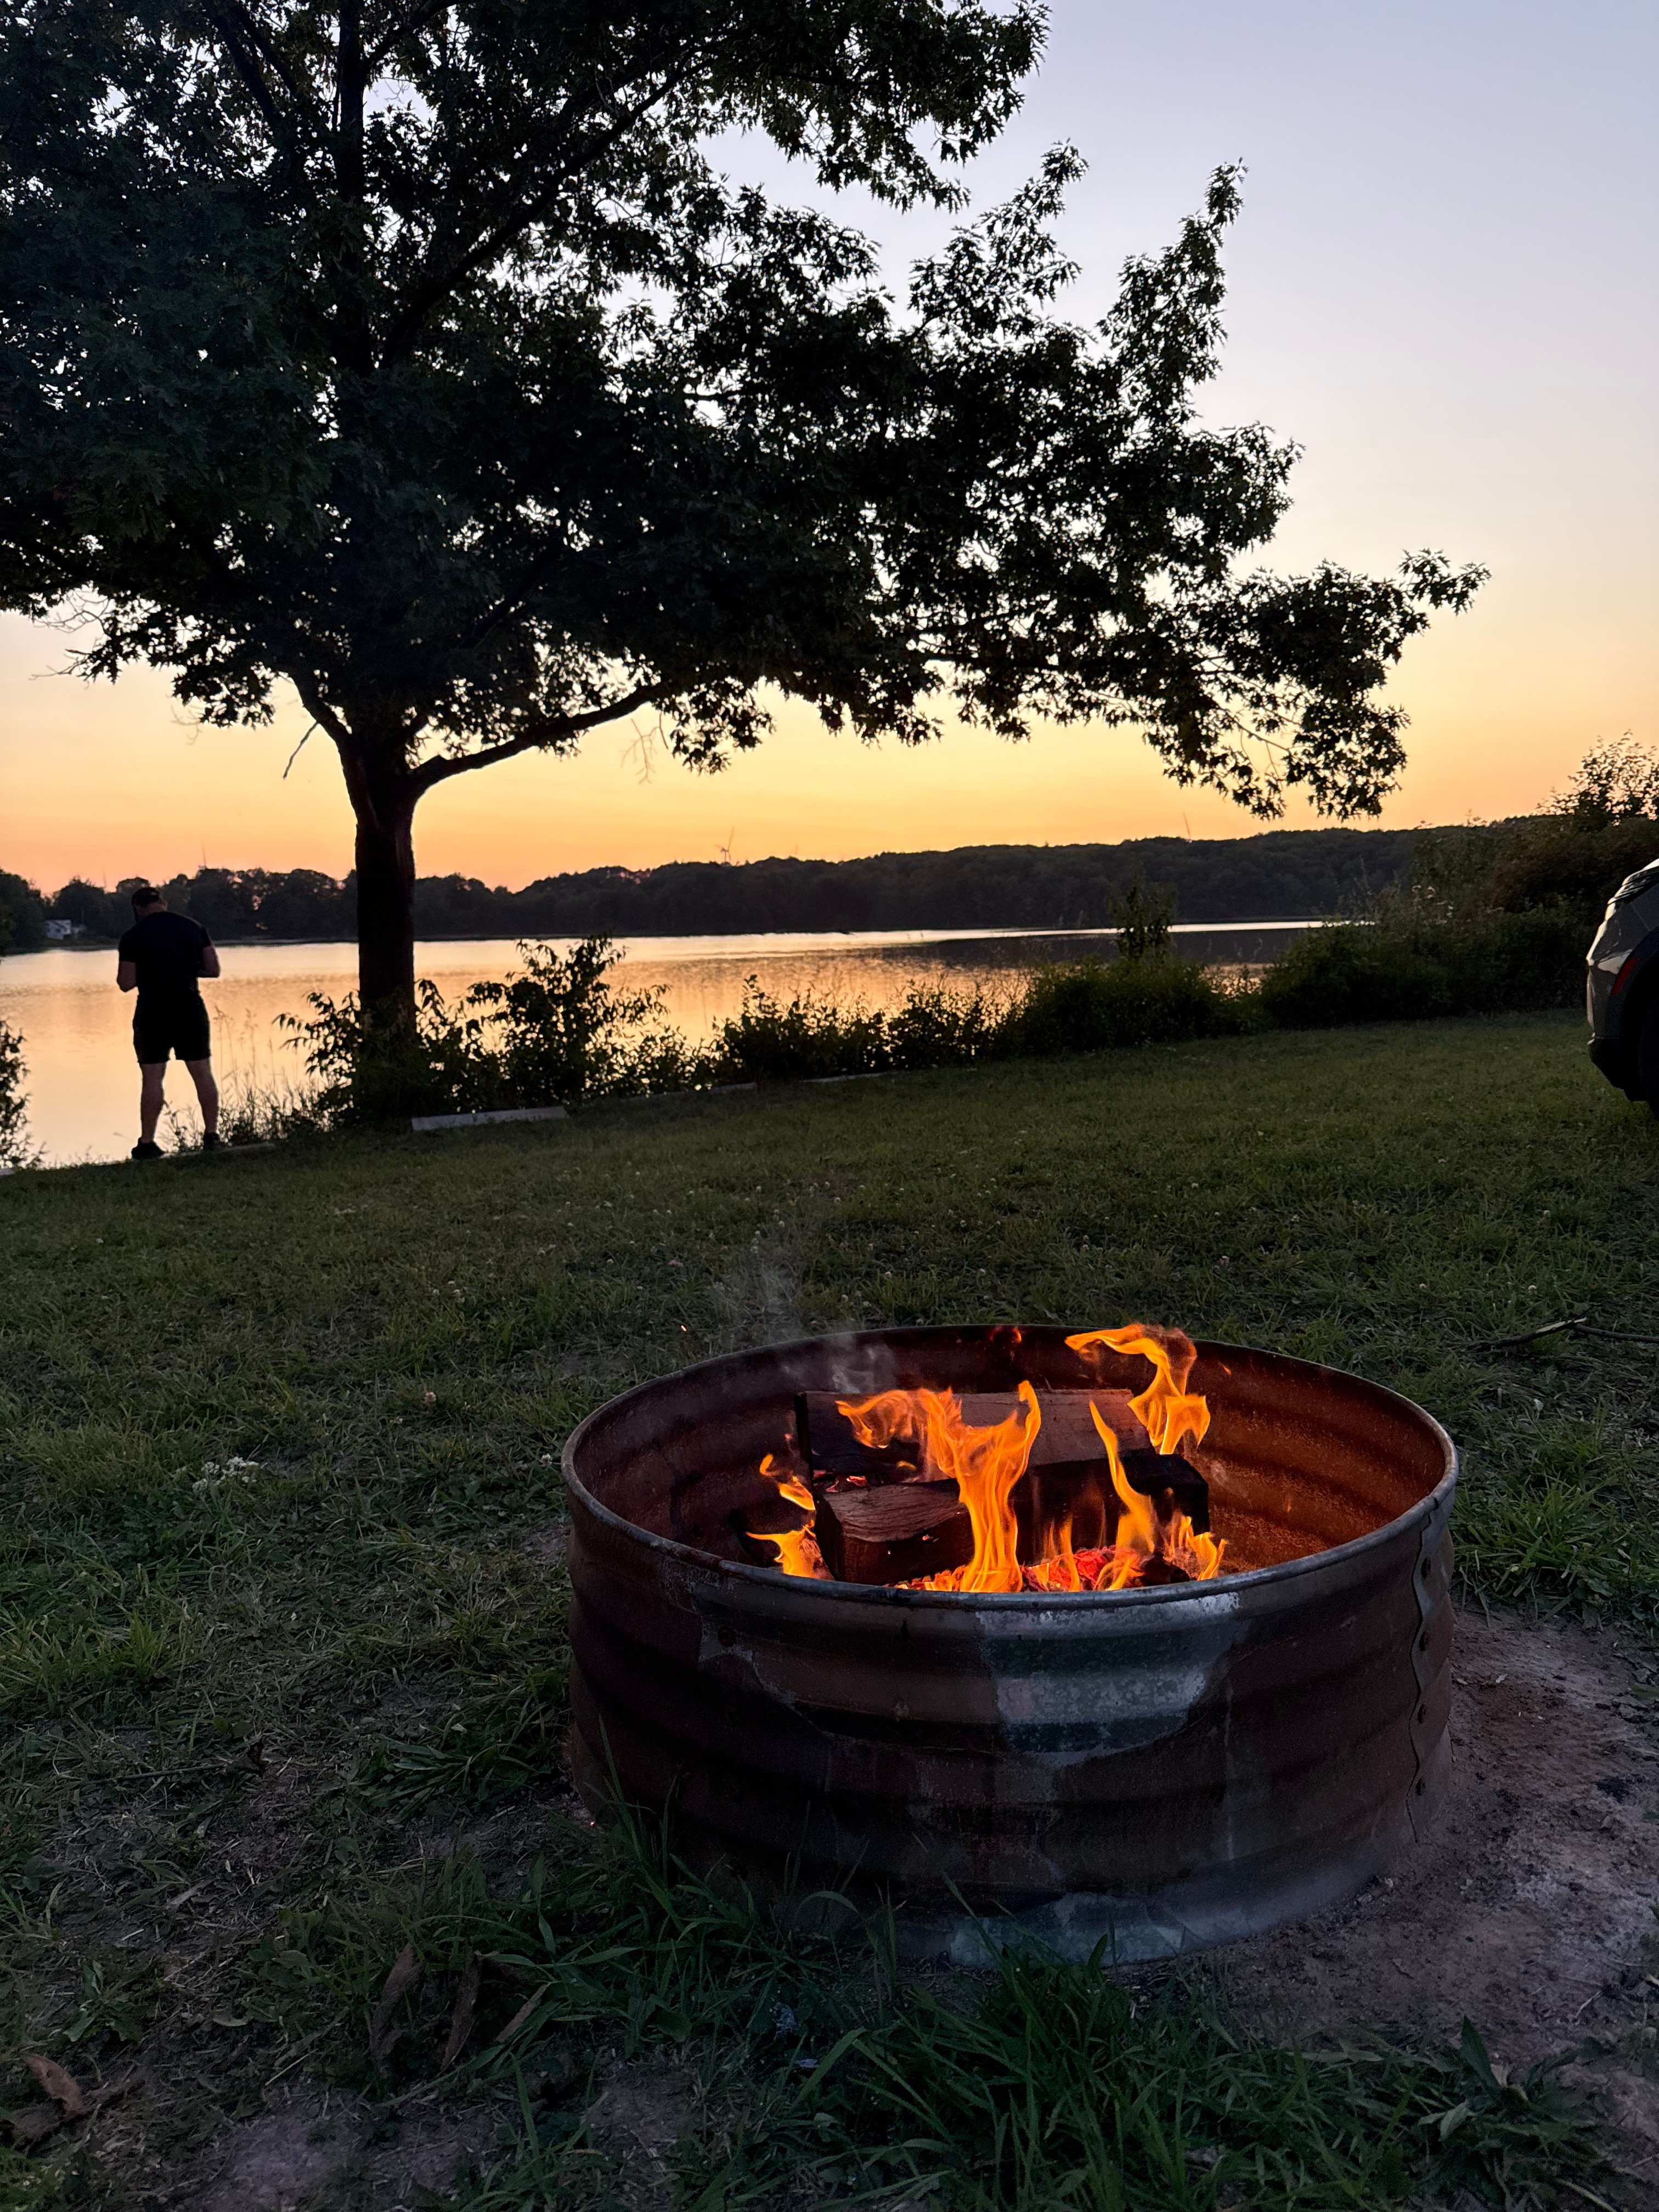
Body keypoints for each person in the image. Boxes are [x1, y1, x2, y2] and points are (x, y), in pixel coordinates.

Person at [116, 886, 222, 1159]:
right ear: (163, 902)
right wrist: (184, 969)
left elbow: (126, 983)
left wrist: (151, 972)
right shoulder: (194, 927)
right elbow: (213, 969)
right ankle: (211, 1136)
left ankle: (147, 1142)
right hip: (189, 1006)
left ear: (138, 908)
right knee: (202, 1072)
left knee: (152, 1077)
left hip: (153, 1010)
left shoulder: (133, 936)